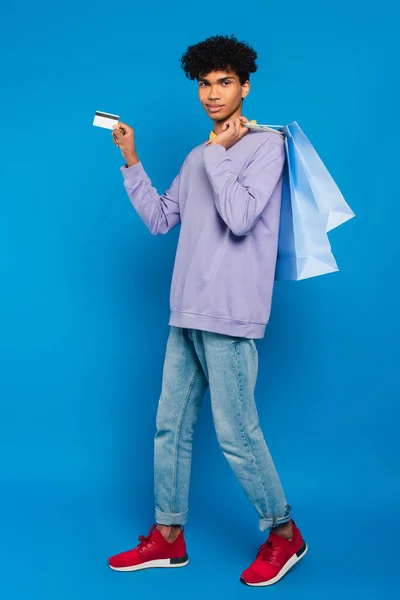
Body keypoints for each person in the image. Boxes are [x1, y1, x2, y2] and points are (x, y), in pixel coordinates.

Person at [108, 33, 307, 587]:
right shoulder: (199, 155)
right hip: (185, 311)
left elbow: (241, 216)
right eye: (205, 83)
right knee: (169, 426)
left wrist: (219, 155)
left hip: (229, 312)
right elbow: (162, 218)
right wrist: (132, 162)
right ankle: (168, 538)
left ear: (245, 86)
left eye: (224, 82)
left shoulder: (268, 146)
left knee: (236, 433)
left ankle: (285, 534)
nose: (213, 93)